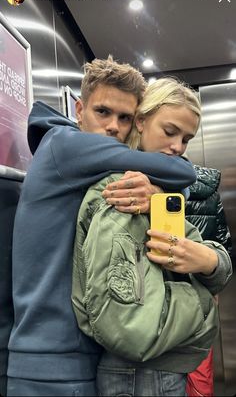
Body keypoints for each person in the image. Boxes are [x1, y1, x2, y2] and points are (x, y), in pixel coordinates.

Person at [7, 58, 197, 397]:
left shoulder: (91, 167)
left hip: (75, 357)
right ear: (79, 110)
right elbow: (182, 171)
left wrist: (155, 192)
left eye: (124, 118)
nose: (113, 127)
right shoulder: (64, 144)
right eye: (103, 112)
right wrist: (160, 187)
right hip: (52, 362)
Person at [72, 78, 233, 397]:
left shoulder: (159, 191)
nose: (177, 147)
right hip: (140, 373)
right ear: (141, 121)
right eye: (170, 132)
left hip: (157, 367)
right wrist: (203, 300)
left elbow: (201, 258)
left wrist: (210, 261)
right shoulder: (124, 192)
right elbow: (130, 327)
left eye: (186, 139)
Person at [185, 164, 232, 397]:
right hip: (201, 300)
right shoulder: (206, 183)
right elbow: (224, 244)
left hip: (155, 302)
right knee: (199, 380)